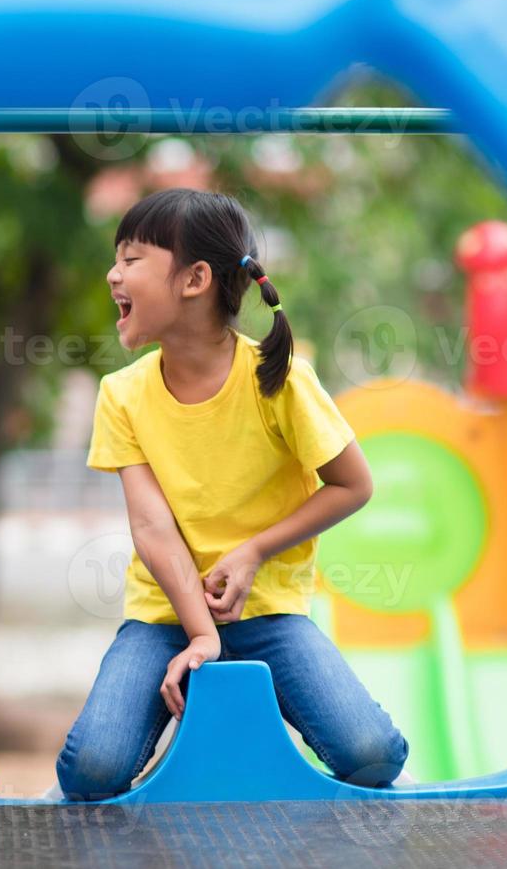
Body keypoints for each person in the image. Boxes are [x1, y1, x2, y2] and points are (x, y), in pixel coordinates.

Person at [56, 189, 407, 800]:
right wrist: (200, 635)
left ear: (194, 279)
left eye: (132, 259)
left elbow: (354, 484)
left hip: (269, 612)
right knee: (92, 772)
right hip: (165, 616)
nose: (113, 273)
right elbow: (152, 528)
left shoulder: (280, 379)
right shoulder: (122, 394)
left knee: (371, 756)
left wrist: (252, 553)